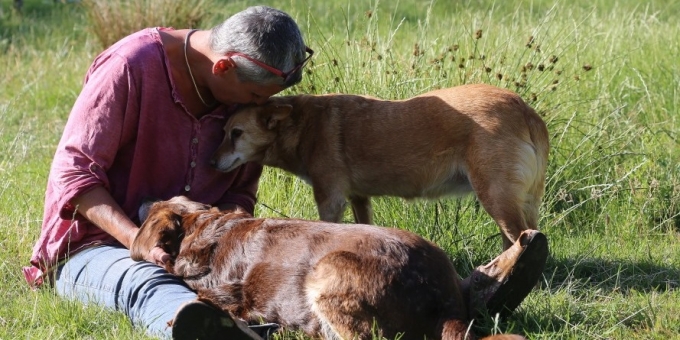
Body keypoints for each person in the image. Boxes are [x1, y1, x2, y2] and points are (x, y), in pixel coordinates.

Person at [22, 5, 313, 339]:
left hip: (200, 254)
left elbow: (239, 194)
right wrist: (138, 241)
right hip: (97, 247)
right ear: (223, 67)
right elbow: (74, 174)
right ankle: (198, 325)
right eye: (254, 95)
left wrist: (231, 250)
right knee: (146, 282)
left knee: (279, 272)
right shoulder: (130, 66)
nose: (257, 105)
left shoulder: (243, 105)